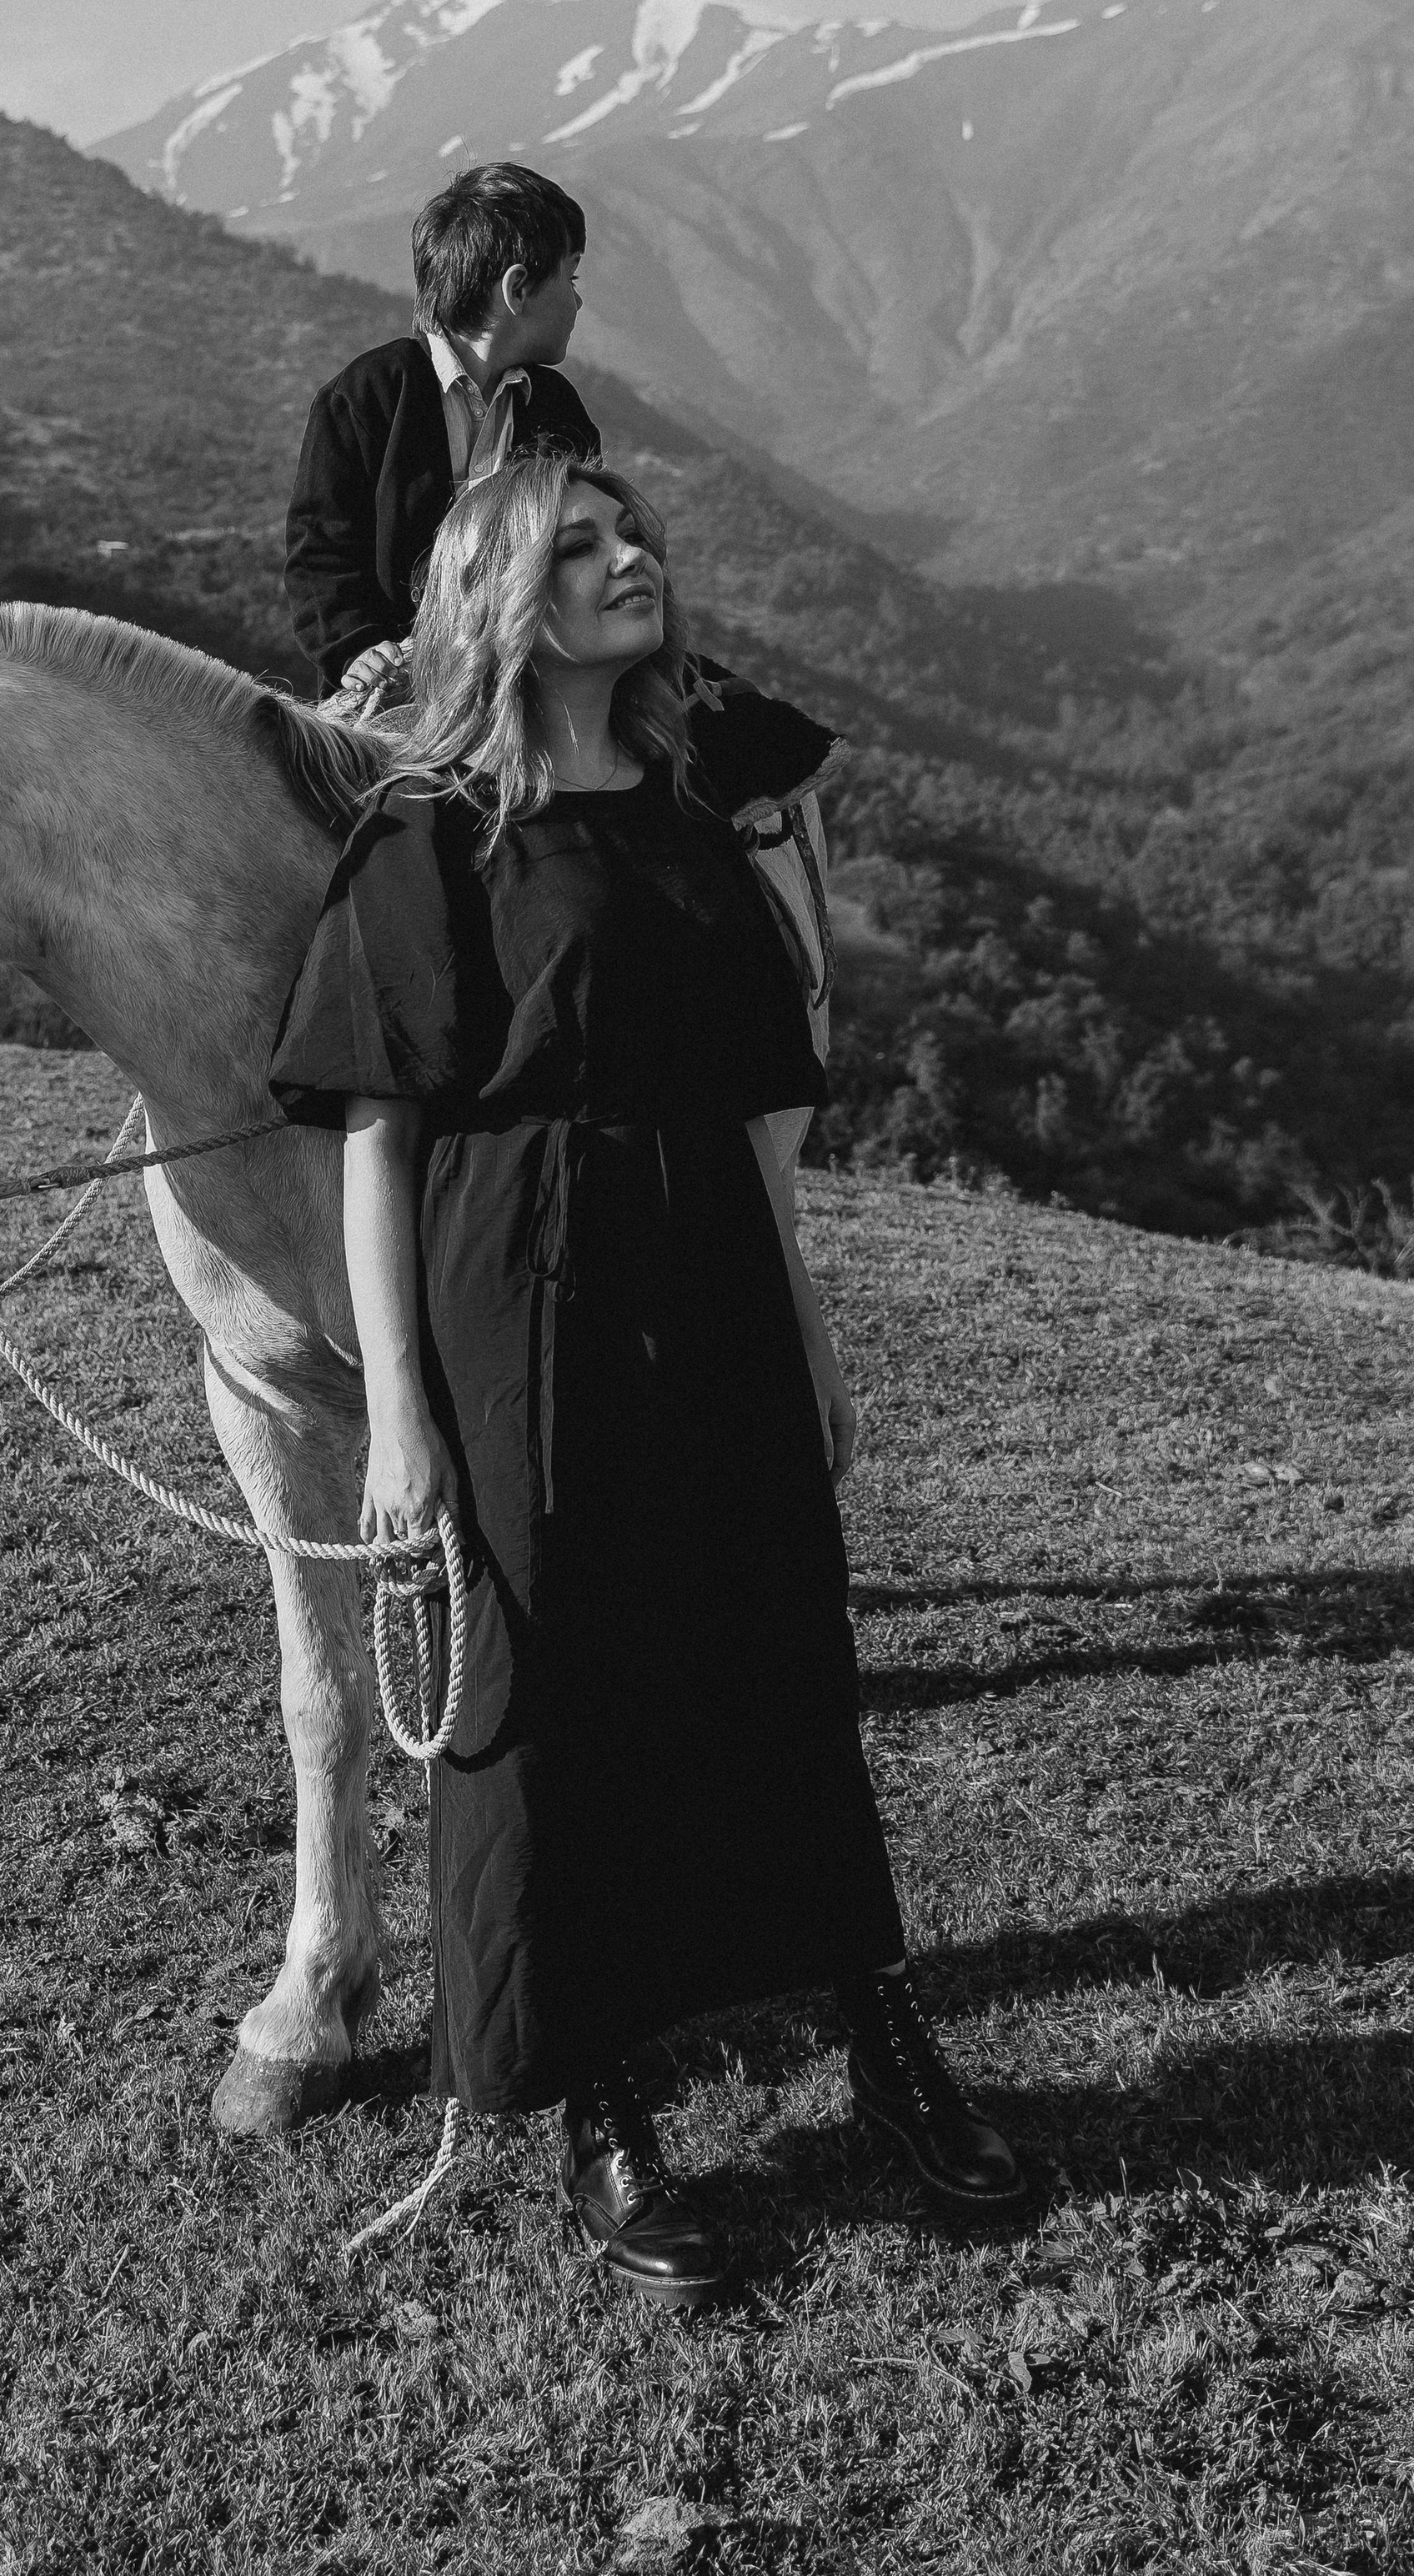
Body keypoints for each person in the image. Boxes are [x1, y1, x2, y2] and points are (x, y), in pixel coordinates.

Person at [269, 458, 1026, 2302]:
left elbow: (756, 1124)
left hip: (707, 1270)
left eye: (638, 541)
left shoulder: (697, 807)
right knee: (560, 1684)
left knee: (774, 1641)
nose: (634, 564)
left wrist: (810, 1325)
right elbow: (380, 1130)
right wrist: (397, 1417)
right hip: (511, 1288)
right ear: (502, 592)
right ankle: (604, 2100)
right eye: (584, 546)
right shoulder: (430, 830)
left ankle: (881, 2035)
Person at [285, 160, 601, 708]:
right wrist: (356, 647)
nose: (578, 300)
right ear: (518, 289)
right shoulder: (368, 396)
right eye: (570, 278)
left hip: (518, 698)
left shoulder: (559, 412)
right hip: (394, 703)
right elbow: (321, 549)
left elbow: (581, 550)